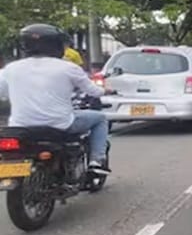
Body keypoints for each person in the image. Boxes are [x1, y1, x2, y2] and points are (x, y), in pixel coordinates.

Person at [0, 24, 110, 174]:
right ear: (57, 44)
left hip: (21, 126)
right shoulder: (68, 68)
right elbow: (93, 91)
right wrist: (105, 90)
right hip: (59, 125)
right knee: (100, 118)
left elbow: (2, 93)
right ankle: (96, 161)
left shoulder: (10, 69)